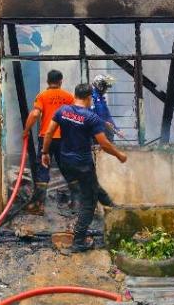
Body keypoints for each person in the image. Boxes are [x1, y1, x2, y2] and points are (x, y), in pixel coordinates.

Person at [41, 84, 127, 252]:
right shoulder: (91, 117)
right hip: (83, 164)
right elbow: (104, 144)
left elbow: (49, 132)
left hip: (65, 162)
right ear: (89, 98)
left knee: (92, 186)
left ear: (75, 95)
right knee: (89, 201)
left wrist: (45, 152)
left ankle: (111, 207)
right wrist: (119, 155)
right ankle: (79, 240)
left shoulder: (62, 110)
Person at [23, 69, 74, 215]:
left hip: (46, 138)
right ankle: (76, 203)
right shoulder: (68, 97)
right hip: (63, 138)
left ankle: (39, 205)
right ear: (60, 81)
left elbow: (35, 114)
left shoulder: (42, 96)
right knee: (67, 168)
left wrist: (26, 131)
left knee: (43, 169)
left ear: (47, 81)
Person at [91, 75, 120, 142]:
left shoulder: (101, 98)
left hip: (103, 127)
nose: (106, 89)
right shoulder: (92, 97)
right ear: (100, 86)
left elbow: (107, 115)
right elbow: (91, 115)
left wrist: (116, 129)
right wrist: (104, 123)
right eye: (105, 87)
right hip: (94, 129)